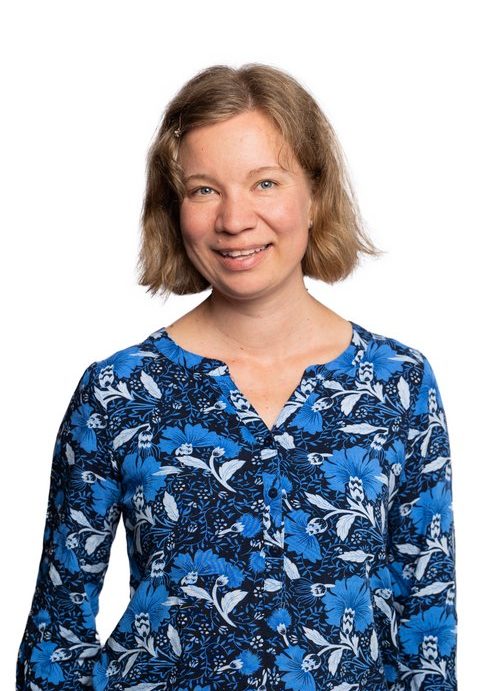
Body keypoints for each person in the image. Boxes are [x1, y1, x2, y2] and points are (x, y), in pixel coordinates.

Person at [16, 63, 457, 690]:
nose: (234, 219)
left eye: (265, 182)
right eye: (204, 190)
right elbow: (56, 634)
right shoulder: (117, 392)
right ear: (175, 210)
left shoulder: (399, 385)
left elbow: (428, 630)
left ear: (315, 193)